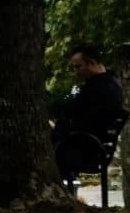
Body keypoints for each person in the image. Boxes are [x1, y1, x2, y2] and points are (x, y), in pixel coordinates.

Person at [53, 44, 124, 185]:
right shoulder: (108, 84)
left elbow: (86, 120)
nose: (75, 72)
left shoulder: (99, 89)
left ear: (91, 63)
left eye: (78, 67)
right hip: (91, 146)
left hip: (87, 149)